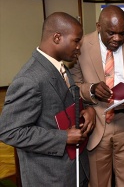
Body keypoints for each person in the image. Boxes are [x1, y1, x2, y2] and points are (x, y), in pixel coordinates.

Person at [0, 12, 96, 187]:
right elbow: (9, 131)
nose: (78, 48)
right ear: (57, 38)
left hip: (74, 170)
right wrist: (62, 138)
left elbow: (68, 101)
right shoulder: (29, 79)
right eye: (76, 41)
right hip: (50, 177)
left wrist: (88, 109)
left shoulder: (61, 68)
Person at [69, 5, 124, 187]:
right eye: (111, 33)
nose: (117, 38)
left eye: (122, 33)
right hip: (96, 123)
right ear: (98, 26)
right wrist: (92, 89)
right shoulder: (81, 47)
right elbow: (73, 88)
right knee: (98, 183)